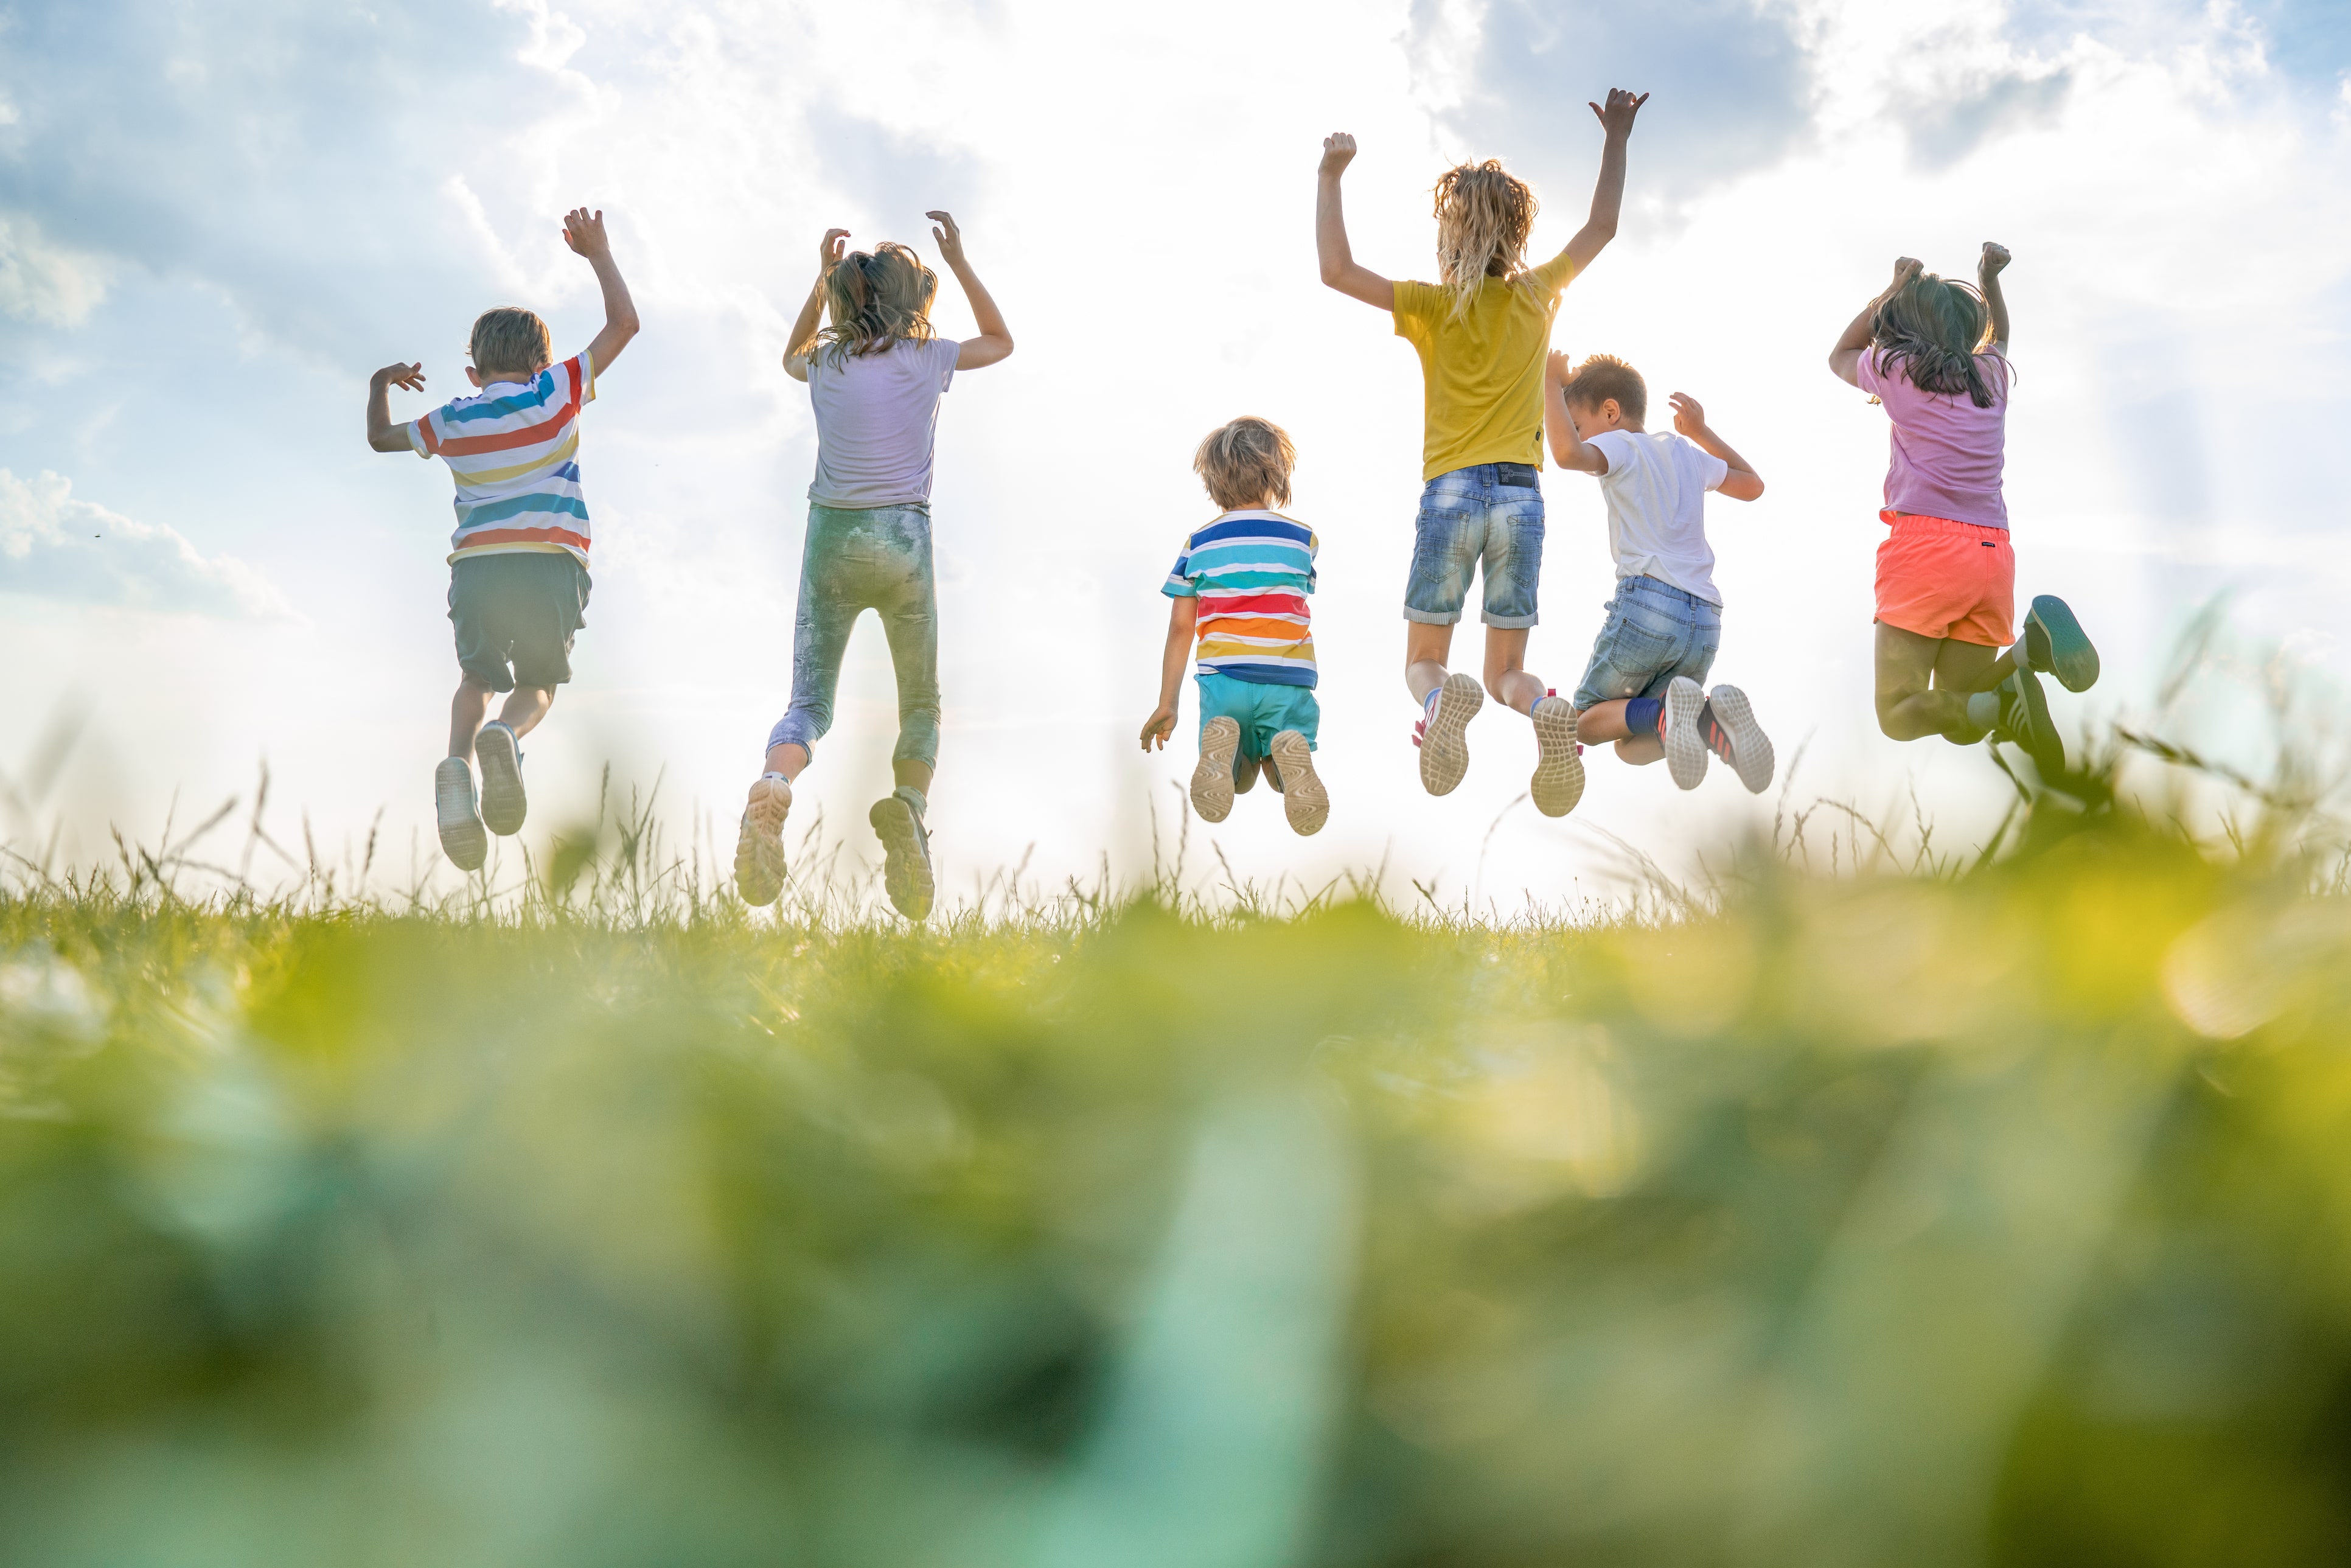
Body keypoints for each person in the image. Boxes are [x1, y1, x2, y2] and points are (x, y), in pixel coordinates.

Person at [1314, 88, 1646, 814]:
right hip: (1523, 498)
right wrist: (1616, 134)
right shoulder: (1536, 296)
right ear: (1516, 235)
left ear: (1450, 237)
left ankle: (1437, 707)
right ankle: (1541, 712)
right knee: (1506, 673)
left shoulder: (1433, 306)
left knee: (1427, 661)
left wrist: (1331, 176)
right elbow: (1603, 227)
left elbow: (1336, 272)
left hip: (1451, 493)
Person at [735, 212, 1013, 921]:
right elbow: (1001, 342)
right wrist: (960, 259)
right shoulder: (928, 359)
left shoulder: (824, 365)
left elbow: (791, 350)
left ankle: (774, 783)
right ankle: (910, 807)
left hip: (831, 534)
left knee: (809, 705)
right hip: (902, 539)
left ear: (844, 298)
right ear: (915, 302)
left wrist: (816, 276)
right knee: (919, 704)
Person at [366, 207, 639, 872]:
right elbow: (624, 326)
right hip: (550, 563)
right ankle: (505, 736)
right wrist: (599, 255)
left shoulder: (453, 418)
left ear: (473, 372)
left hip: (480, 570)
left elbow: (379, 439)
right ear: (542, 361)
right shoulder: (558, 390)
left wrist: (379, 385)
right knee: (539, 683)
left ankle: (458, 766)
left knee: (474, 675)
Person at [1828, 246, 2098, 778]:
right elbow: (2001, 338)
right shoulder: (1992, 378)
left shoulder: (1897, 369)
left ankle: (2004, 707)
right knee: (1960, 708)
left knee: (1900, 714)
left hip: (1925, 551)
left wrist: (1894, 286)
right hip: (1991, 556)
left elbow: (1841, 353)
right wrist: (1988, 278)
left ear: (1907, 324)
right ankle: (2027, 655)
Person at [1542, 352, 1773, 795]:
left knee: (1586, 720)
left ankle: (1668, 714)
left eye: (1579, 423)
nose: (1577, 435)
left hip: (1648, 605)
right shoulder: (1687, 453)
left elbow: (1567, 454)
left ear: (1611, 412)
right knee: (1630, 746)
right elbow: (1752, 484)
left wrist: (1551, 384)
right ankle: (1705, 721)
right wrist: (1702, 433)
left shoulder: (1619, 445)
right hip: (1704, 621)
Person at [1140, 417, 1328, 835]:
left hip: (1225, 677)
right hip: (1286, 676)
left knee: (1238, 780)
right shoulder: (1302, 540)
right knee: (1280, 777)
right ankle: (1287, 751)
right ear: (1277, 473)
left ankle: (1222, 752)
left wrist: (1168, 703)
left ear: (1213, 481)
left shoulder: (1199, 543)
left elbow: (1180, 627)